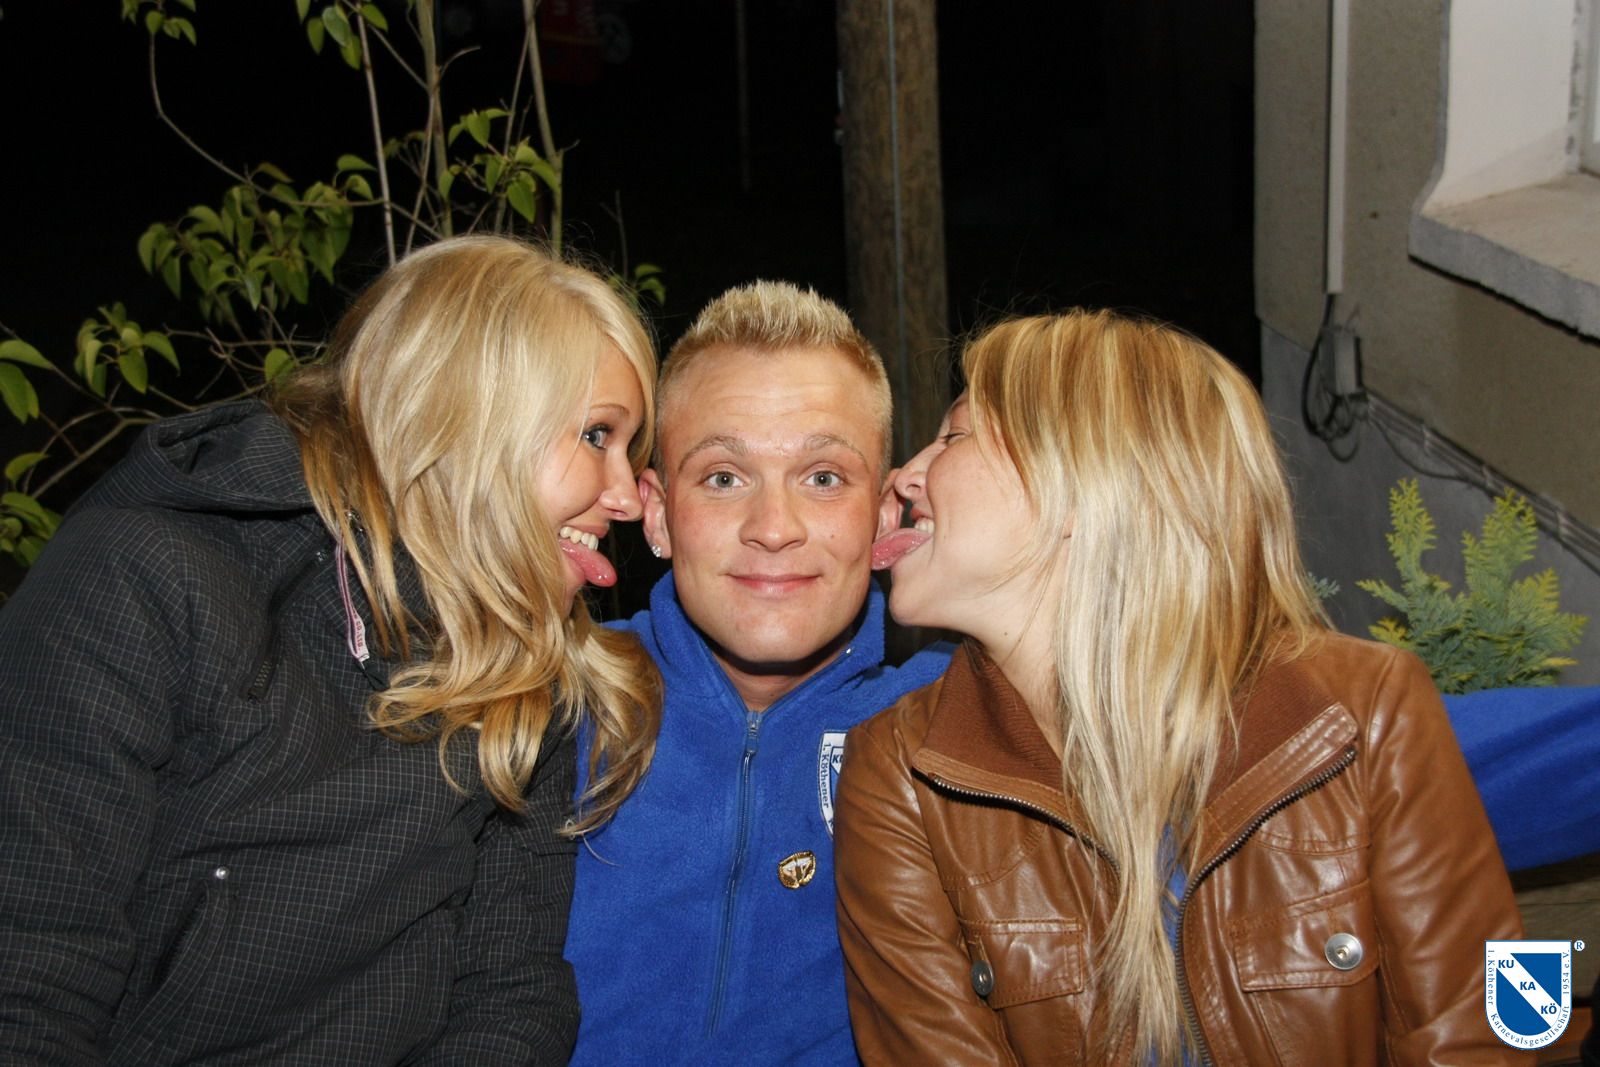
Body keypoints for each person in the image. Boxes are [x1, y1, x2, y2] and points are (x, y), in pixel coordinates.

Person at [0, 235, 661, 1064]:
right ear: (467, 416)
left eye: (630, 449)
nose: (626, 495)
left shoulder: (531, 669)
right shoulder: (148, 578)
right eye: (597, 435)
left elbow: (513, 992)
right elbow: (28, 979)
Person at [837, 310, 1529, 1065]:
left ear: (1081, 483)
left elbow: (1480, 1041)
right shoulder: (902, 778)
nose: (903, 476)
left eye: (953, 437)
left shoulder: (1360, 712)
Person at [564, 281, 948, 1065]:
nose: (773, 528)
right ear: (658, 513)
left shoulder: (948, 726)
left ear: (884, 515)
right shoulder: (553, 702)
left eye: (823, 477)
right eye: (723, 478)